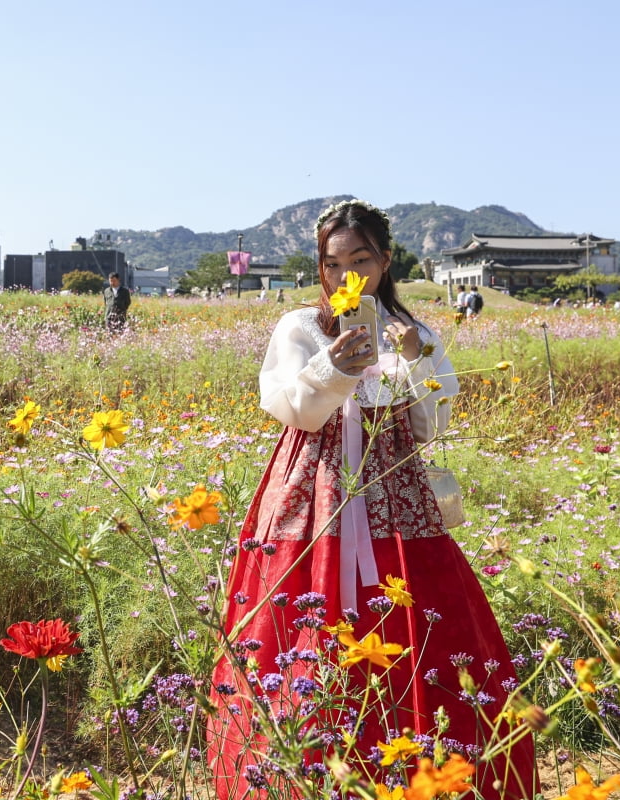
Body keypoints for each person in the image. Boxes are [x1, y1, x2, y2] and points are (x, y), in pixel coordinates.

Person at [206, 199, 537, 800]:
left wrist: (414, 361)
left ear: (385, 261)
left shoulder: (416, 333)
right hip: (316, 487)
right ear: (320, 268)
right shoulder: (301, 329)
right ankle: (300, 765)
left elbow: (431, 425)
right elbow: (292, 410)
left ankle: (423, 762)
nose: (346, 274)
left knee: (414, 616)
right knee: (310, 615)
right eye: (334, 264)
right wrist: (332, 368)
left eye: (361, 259)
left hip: (396, 496)